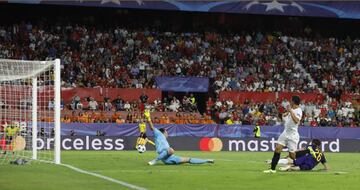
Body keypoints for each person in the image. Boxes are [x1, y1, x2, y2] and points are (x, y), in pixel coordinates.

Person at [144, 110, 214, 165]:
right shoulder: (159, 134)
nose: (167, 133)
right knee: (170, 150)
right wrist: (148, 118)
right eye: (167, 132)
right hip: (165, 154)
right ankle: (154, 161)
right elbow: (152, 128)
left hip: (169, 158)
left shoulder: (163, 139)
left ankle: (206, 160)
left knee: (188, 159)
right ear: (164, 131)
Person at [264, 96, 303, 173]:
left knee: (292, 155)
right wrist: (286, 114)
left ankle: (298, 164)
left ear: (293, 102)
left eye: (291, 101)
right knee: (278, 148)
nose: (290, 102)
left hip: (292, 135)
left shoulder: (299, 111)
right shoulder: (292, 110)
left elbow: (296, 121)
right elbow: (289, 117)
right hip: (285, 133)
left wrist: (290, 111)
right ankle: (272, 169)